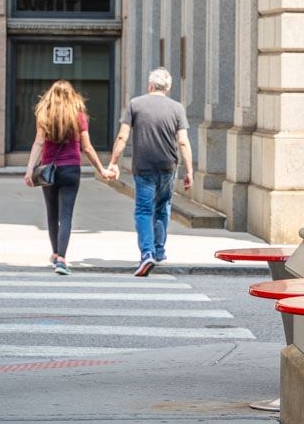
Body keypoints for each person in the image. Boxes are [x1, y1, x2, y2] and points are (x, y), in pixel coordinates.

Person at [107, 67, 193, 277]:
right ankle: (159, 250)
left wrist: (113, 162)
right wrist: (189, 170)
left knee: (144, 210)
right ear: (169, 87)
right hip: (167, 166)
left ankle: (147, 253)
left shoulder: (136, 104)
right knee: (163, 208)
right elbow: (183, 141)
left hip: (143, 167)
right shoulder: (177, 108)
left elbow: (122, 137)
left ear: (150, 85)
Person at [24, 80, 112, 275]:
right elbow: (87, 148)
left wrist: (30, 169)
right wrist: (101, 169)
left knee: (52, 214)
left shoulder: (44, 116)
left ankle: (55, 254)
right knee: (66, 215)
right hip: (71, 170)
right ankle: (62, 259)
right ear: (73, 97)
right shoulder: (79, 117)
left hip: (49, 171)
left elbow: (38, 144)